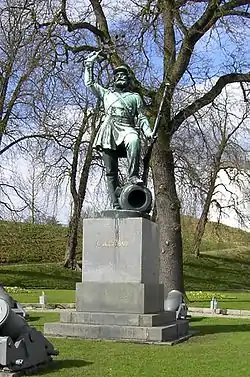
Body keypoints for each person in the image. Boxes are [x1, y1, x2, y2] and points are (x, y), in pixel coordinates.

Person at [84, 51, 153, 209]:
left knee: (134, 139)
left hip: (127, 127)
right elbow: (89, 83)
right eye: (117, 75)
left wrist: (148, 132)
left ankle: (133, 176)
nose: (120, 76)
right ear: (114, 79)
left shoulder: (135, 97)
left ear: (128, 79)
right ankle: (116, 203)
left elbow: (141, 118)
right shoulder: (106, 94)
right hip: (109, 130)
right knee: (110, 171)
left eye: (124, 75)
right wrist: (89, 64)